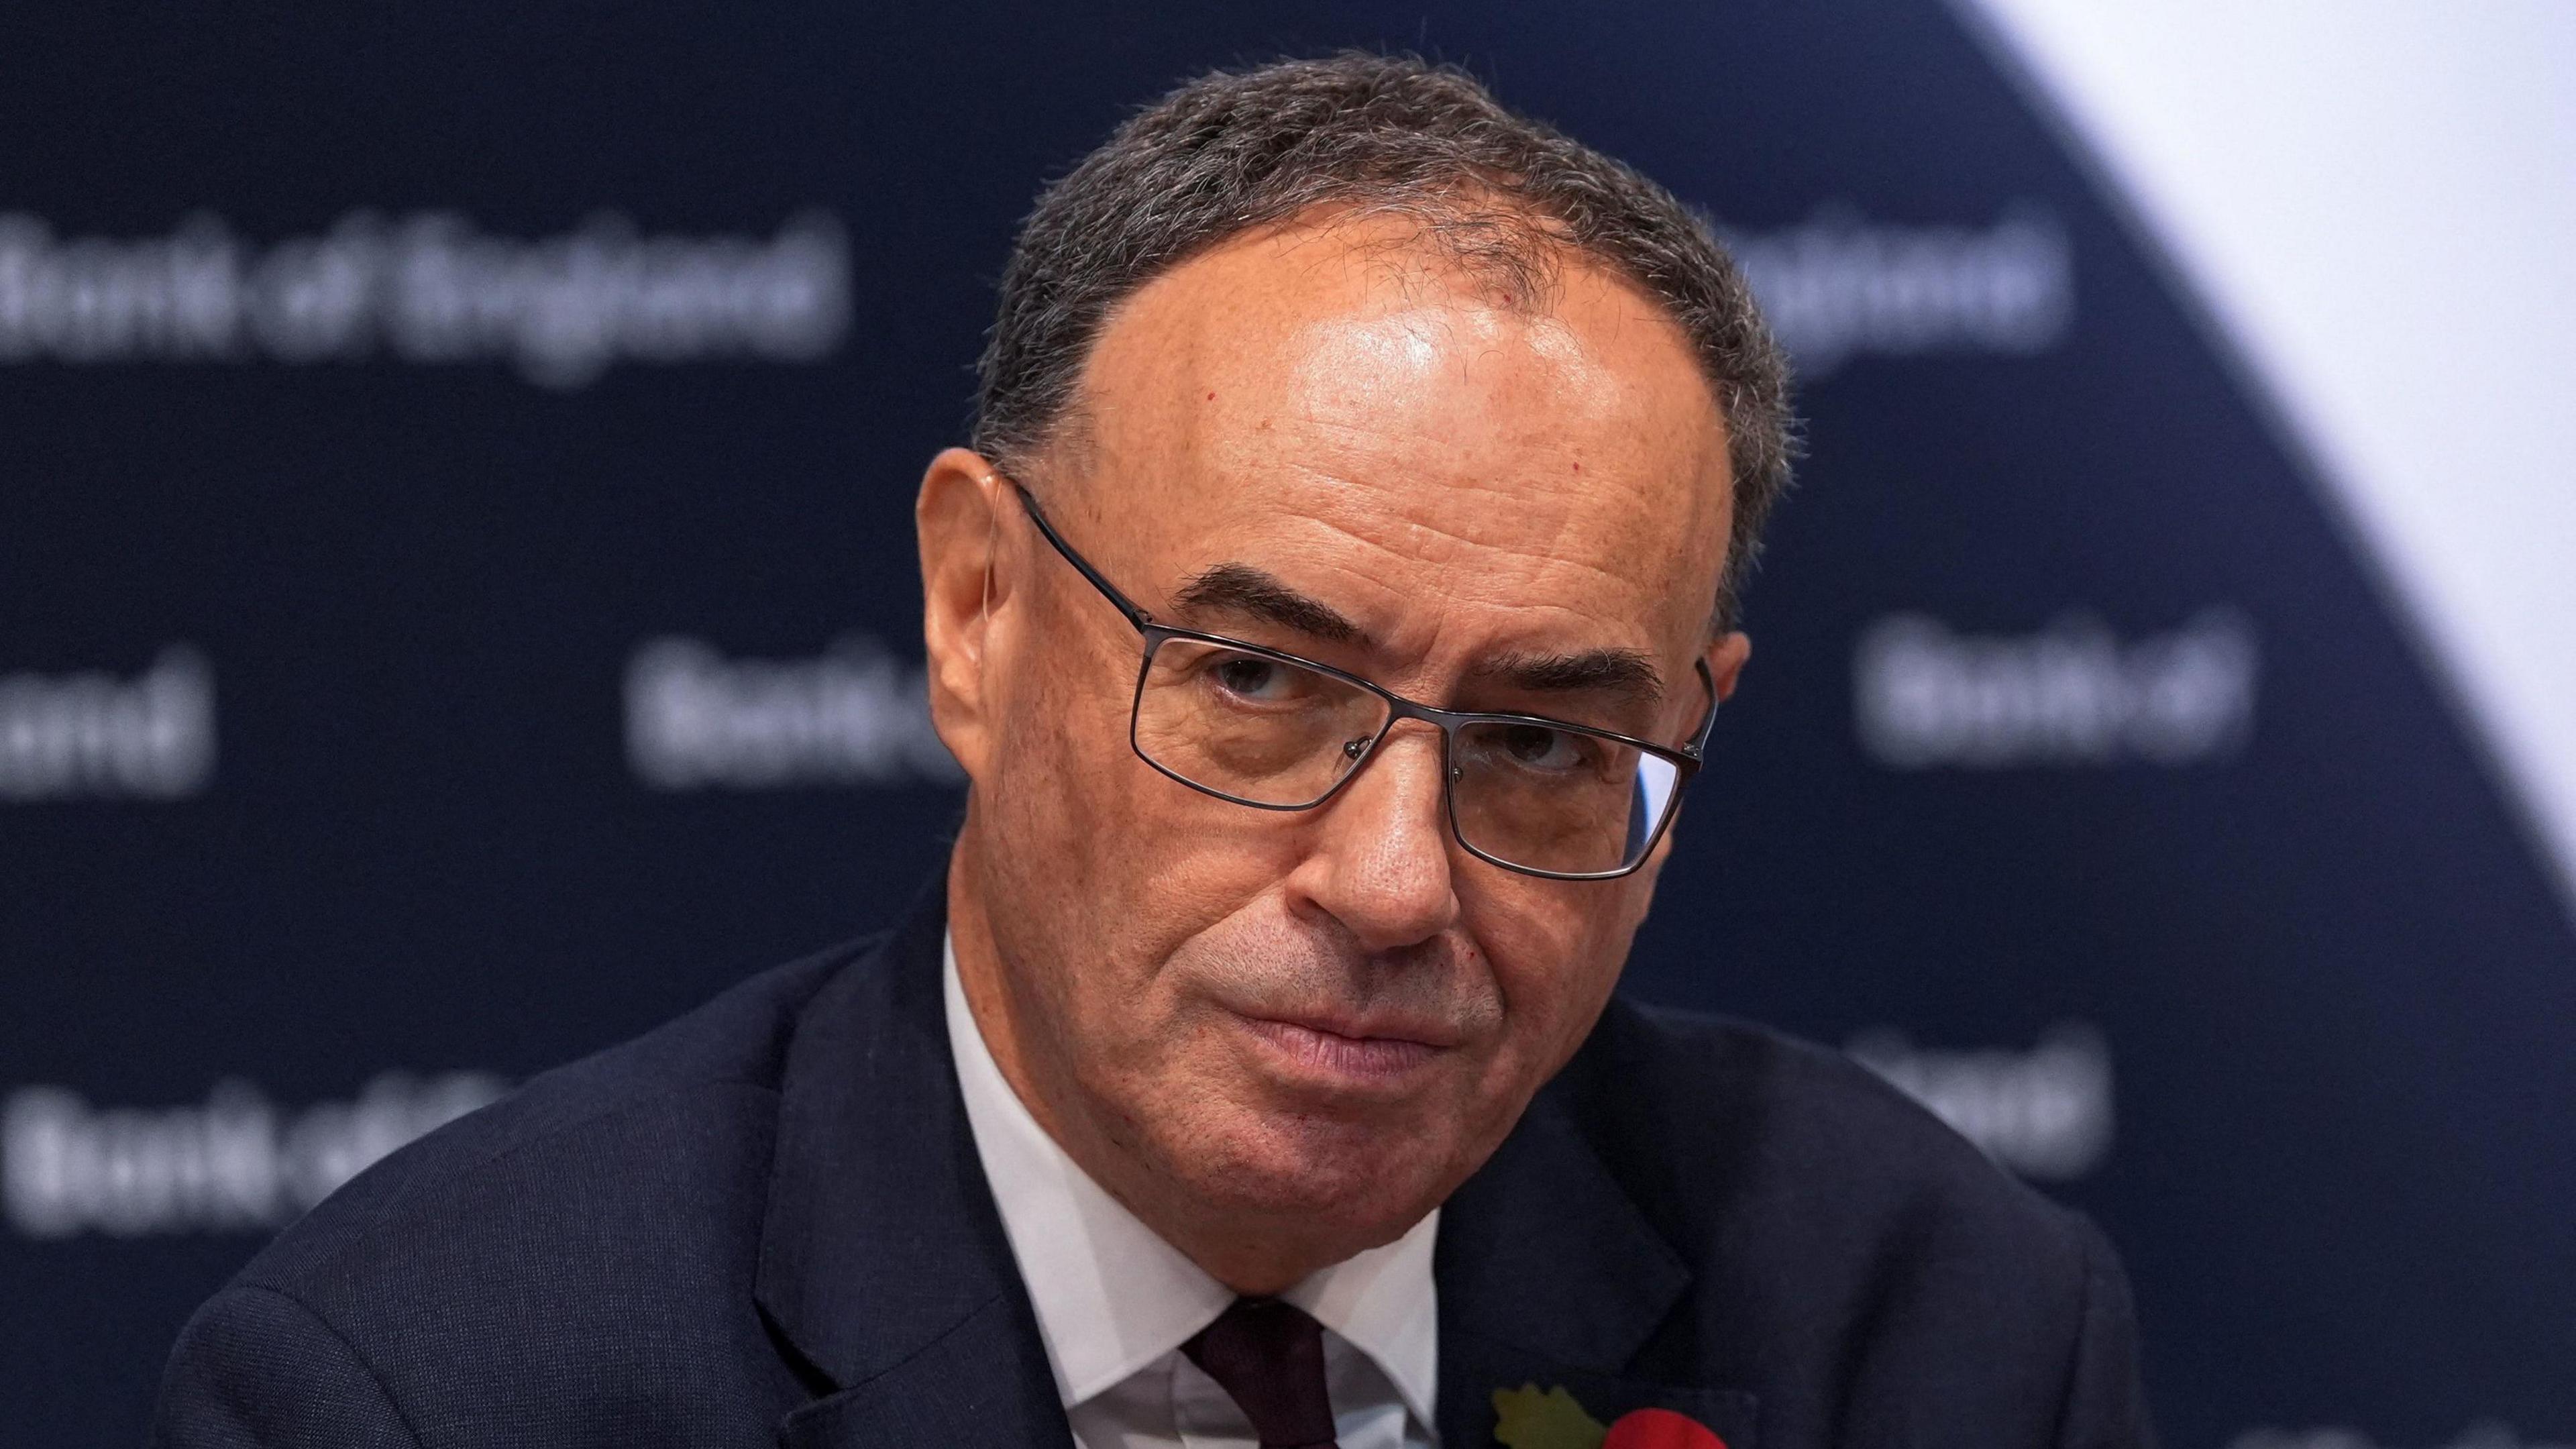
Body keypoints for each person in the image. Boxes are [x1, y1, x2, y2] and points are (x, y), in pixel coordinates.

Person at [153, 52, 2151, 1449]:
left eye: (1539, 736)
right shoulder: (439, 1394)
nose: (1393, 884)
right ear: (978, 613)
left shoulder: (1932, 1334)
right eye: (1262, 687)